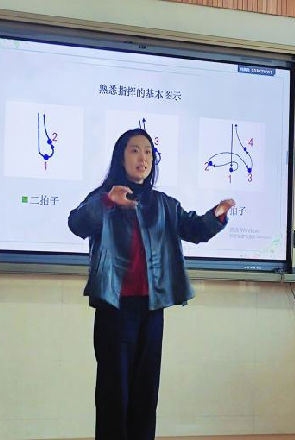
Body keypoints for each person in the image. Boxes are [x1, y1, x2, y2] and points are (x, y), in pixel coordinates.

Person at [68, 128, 234, 439]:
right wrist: (106, 201)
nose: (142, 157)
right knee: (114, 392)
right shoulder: (105, 196)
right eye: (134, 150)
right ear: (121, 157)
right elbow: (76, 224)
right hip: (115, 308)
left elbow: (193, 229)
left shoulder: (163, 203)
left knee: (146, 393)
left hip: (151, 308)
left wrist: (217, 216)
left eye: (148, 152)